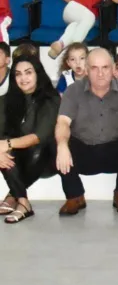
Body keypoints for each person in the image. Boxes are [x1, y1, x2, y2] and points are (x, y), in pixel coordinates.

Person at [53, 49, 118, 216]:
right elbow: (63, 122)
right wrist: (62, 145)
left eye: (105, 67)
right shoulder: (73, 91)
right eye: (94, 68)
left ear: (113, 69)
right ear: (87, 70)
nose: (100, 73)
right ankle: (75, 195)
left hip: (115, 151)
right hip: (83, 150)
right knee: (57, 143)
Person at [0, 56, 61, 224]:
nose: (23, 78)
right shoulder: (6, 100)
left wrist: (7, 144)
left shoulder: (51, 99)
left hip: (45, 159)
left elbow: (39, 136)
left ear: (38, 74)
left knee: (40, 144)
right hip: (18, 159)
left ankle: (14, 195)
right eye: (18, 74)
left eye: (28, 73)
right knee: (3, 145)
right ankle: (23, 202)